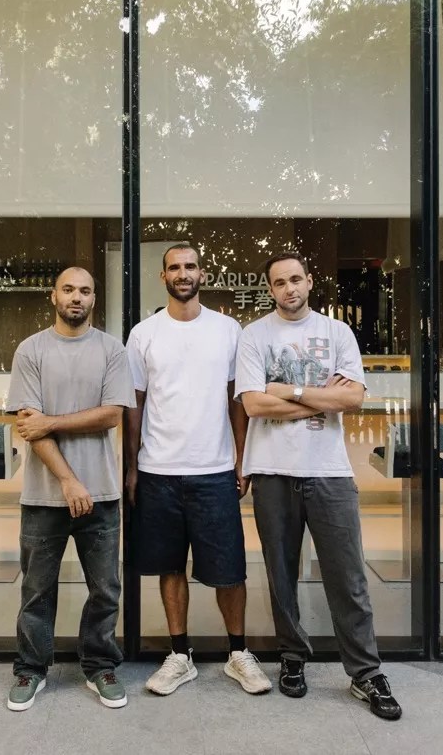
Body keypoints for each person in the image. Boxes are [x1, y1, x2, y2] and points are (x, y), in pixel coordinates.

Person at [233, 252, 402, 721]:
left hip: (329, 472)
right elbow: (254, 405)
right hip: (272, 471)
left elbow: (353, 398)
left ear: (309, 282)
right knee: (281, 575)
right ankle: (292, 657)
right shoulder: (254, 335)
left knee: (347, 578)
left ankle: (365, 672)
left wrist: (290, 391)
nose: (289, 288)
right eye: (279, 282)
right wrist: (323, 400)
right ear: (270, 289)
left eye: (295, 279)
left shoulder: (337, 332)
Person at [124, 244, 271, 696]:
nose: (183, 274)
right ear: (163, 276)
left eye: (190, 267)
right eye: (174, 267)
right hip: (158, 470)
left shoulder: (228, 330)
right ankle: (179, 655)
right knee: (170, 567)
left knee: (230, 569)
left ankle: (238, 653)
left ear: (202, 274)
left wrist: (242, 458)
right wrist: (131, 467)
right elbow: (134, 405)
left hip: (215, 469)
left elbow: (237, 400)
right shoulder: (143, 334)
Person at [4, 266, 136, 712]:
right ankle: (31, 668)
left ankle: (99, 666)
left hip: (102, 494)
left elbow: (111, 415)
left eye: (84, 291)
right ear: (53, 296)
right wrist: (67, 479)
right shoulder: (31, 350)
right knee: (37, 591)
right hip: (44, 497)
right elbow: (30, 426)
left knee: (105, 590)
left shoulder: (111, 350)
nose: (76, 297)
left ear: (94, 299)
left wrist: (52, 421)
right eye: (68, 289)